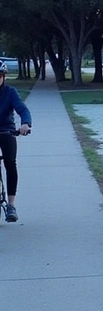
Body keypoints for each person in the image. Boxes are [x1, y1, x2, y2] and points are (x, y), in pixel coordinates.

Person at [0, 60, 32, 222]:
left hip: (7, 132)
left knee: (10, 164)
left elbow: (22, 109)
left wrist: (25, 124)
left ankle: (11, 204)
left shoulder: (10, 92)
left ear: (3, 77)